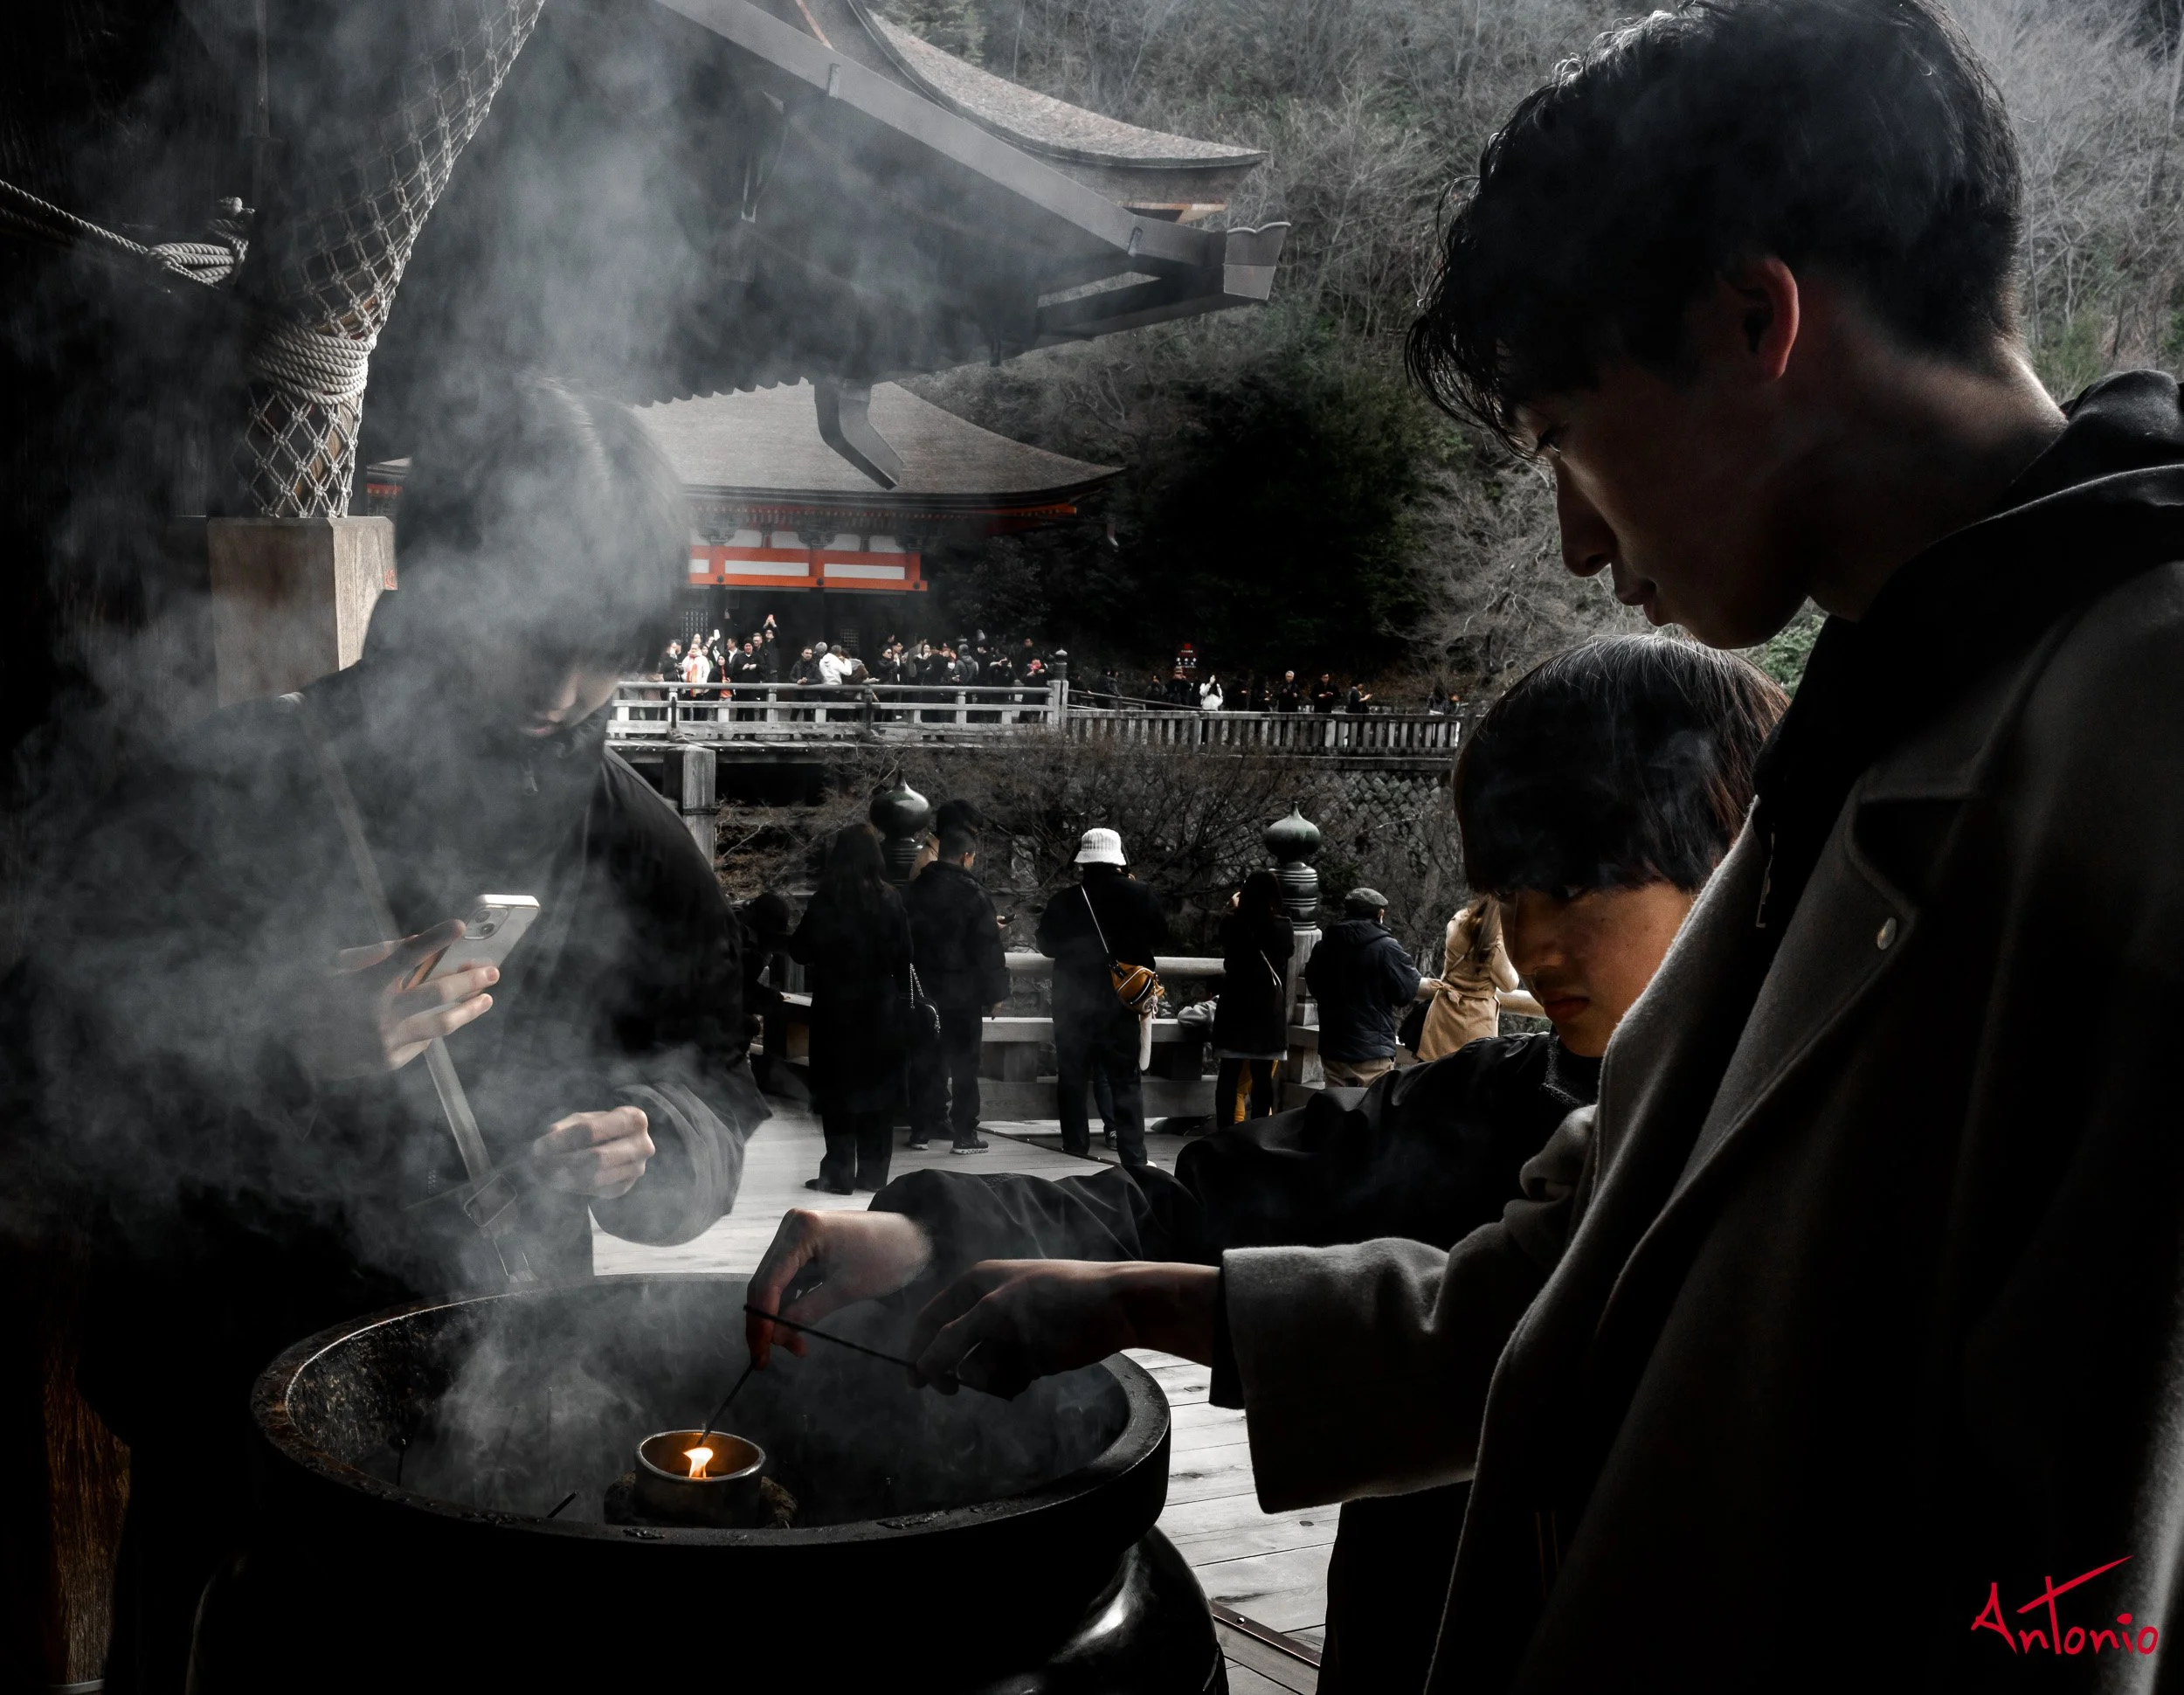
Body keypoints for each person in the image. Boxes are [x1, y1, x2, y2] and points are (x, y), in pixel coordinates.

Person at [812, 3, 2184, 1685]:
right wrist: (1122, 1300)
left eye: (1570, 442)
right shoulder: (1882, 716)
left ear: (1759, 319)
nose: (1578, 540)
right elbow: (1564, 1275)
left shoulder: (2140, 732)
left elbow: (2095, 1577)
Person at [744, 635, 1785, 1693]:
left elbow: (1497, 1342)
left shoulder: (1810, 1154)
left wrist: (1137, 1304)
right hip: (1407, 1644)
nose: (1533, 946)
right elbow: (1188, 1203)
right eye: (1509, 898)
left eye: (1573, 889)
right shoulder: (1479, 1102)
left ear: (1739, 860)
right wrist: (924, 1230)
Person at [10, 373, 764, 1690]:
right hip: (239, 1404)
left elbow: (712, 1081)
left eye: (607, 647)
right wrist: (271, 1036)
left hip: (512, 1385)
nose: (567, 684)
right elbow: (55, 1084)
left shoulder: (637, 839)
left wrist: (661, 1145)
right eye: (538, 631)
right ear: (441, 569)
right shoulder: (228, 782)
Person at [788, 826, 911, 1193]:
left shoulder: (826, 900)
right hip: (880, 1010)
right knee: (878, 1092)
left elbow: (800, 951)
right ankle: (874, 1175)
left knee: (837, 1092)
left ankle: (839, 1173)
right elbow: (905, 957)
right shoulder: (890, 900)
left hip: (835, 1011)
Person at [1035, 828, 1166, 1168]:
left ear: (1084, 862)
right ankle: (1134, 1156)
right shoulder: (1140, 895)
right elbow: (1162, 934)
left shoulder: (1064, 900)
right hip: (1119, 1003)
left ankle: (1075, 1149)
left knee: (1073, 1075)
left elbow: (1046, 945)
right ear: (1118, 860)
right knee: (1124, 1078)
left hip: (1071, 1002)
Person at [905, 803, 1011, 1154]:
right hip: (962, 993)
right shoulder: (974, 895)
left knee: (925, 1061)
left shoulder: (916, 891)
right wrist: (995, 993)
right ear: (967, 856)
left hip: (922, 991)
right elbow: (987, 948)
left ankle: (920, 1130)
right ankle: (965, 1133)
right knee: (965, 1064)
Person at [1303, 888, 1428, 1086]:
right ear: (1379, 914)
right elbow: (1405, 993)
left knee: (1336, 1109)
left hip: (1333, 1045)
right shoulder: (1386, 947)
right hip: (1373, 1051)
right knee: (1370, 1111)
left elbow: (1314, 985)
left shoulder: (1325, 945)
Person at [1210, 870, 1292, 1124]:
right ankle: (1258, 1130)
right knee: (1262, 1076)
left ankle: (1224, 1132)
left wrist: (1234, 909)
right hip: (1266, 1009)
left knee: (1228, 1075)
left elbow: (1225, 938)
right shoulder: (1282, 926)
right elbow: (1287, 952)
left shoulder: (1231, 923)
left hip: (1234, 1006)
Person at [1412, 895, 1518, 1062]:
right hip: (1476, 1020)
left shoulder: (1457, 922)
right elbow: (1510, 984)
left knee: (1433, 1071)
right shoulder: (1494, 946)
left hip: (1443, 1010)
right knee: (1468, 1076)